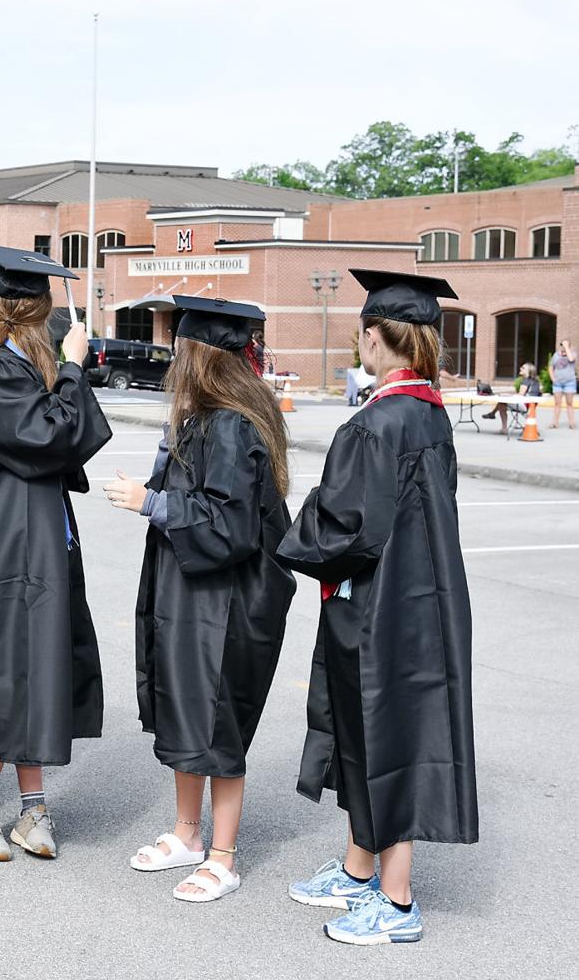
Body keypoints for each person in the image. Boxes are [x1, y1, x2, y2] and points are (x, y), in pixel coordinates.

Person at [277, 269, 476, 946]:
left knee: (387, 734)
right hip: (425, 598)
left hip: (383, 605)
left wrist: (293, 530)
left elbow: (346, 528)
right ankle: (360, 869)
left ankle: (395, 903)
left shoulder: (376, 423)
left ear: (373, 338)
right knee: (370, 733)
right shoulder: (429, 413)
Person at [105, 296, 296, 902]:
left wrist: (152, 501)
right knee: (186, 710)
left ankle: (223, 854)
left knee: (218, 723)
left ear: (203, 358)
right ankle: (187, 833)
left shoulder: (234, 425)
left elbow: (232, 528)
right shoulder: (202, 418)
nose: (173, 361)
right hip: (191, 596)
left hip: (228, 604)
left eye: (183, 351)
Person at [0, 242, 111, 862]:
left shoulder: (15, 368)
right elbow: (51, 436)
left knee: (39, 673)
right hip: (1, 551)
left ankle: (33, 810)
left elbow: (59, 442)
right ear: (42, 313)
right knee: (3, 674)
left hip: (36, 543)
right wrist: (73, 367)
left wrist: (62, 374)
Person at [481, 361, 540, 433]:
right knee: (501, 405)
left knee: (502, 400)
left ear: (528, 371)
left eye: (523, 368)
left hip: (524, 405)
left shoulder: (526, 381)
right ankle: (494, 417)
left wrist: (508, 395)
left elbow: (520, 395)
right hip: (531, 406)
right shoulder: (535, 381)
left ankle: (502, 426)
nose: (520, 368)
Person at [550, 339, 576, 428]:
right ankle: (555, 423)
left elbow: (571, 359)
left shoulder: (572, 353)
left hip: (570, 382)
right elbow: (551, 367)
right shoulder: (556, 355)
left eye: (565, 345)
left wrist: (567, 347)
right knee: (557, 403)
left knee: (569, 403)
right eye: (562, 345)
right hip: (558, 383)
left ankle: (572, 423)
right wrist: (553, 378)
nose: (563, 347)